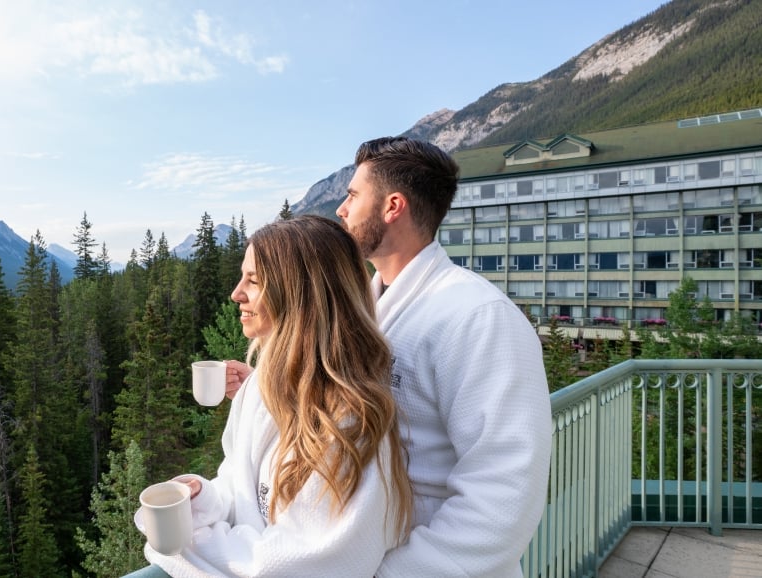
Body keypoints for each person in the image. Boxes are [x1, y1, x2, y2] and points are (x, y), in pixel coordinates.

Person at [228, 136, 552, 576]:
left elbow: (506, 491)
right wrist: (268, 391)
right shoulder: (365, 310)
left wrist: (394, 572)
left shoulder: (477, 317)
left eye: (353, 195)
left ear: (393, 206)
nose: (341, 209)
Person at [140, 215, 413, 577]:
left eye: (253, 281)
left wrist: (186, 544)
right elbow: (239, 489)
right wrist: (201, 498)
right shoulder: (260, 388)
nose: (236, 293)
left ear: (300, 295)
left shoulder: (348, 424)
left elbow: (304, 565)